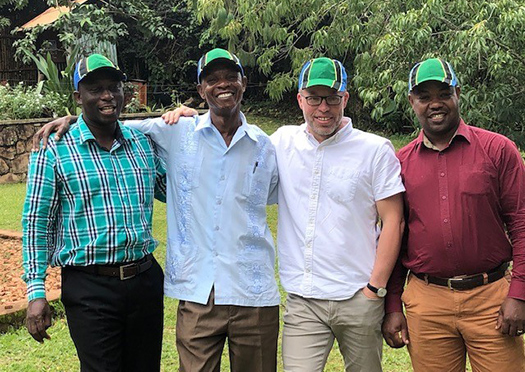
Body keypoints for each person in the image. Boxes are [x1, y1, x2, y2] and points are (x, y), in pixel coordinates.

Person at [34, 48, 280, 372]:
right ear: (200, 89)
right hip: (161, 289)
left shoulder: (265, 145)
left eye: (230, 77)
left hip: (219, 288)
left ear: (244, 82)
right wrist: (72, 121)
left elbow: (175, 185)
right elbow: (37, 221)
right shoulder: (171, 132)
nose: (222, 85)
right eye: (212, 79)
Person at [163, 57, 405, 371]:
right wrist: (191, 118)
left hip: (358, 297)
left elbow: (394, 221)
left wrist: (375, 289)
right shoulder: (278, 143)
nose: (323, 108)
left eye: (332, 98)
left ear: (345, 98)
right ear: (300, 99)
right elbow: (230, 150)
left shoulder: (374, 150)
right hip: (303, 301)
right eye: (314, 98)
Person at [22, 53, 167, 371]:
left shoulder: (141, 144)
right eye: (95, 88)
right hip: (90, 288)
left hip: (145, 281)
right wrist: (36, 291)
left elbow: (172, 192)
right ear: (78, 97)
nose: (107, 95)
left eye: (114, 87)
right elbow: (36, 221)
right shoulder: (55, 149)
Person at [382, 58, 525, 372]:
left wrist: (520, 292)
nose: (435, 103)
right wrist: (393, 304)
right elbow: (395, 236)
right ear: (412, 101)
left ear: (458, 93)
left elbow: (521, 221)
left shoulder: (499, 150)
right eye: (424, 96)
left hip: (491, 299)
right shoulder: (399, 163)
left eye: (444, 93)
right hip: (427, 302)